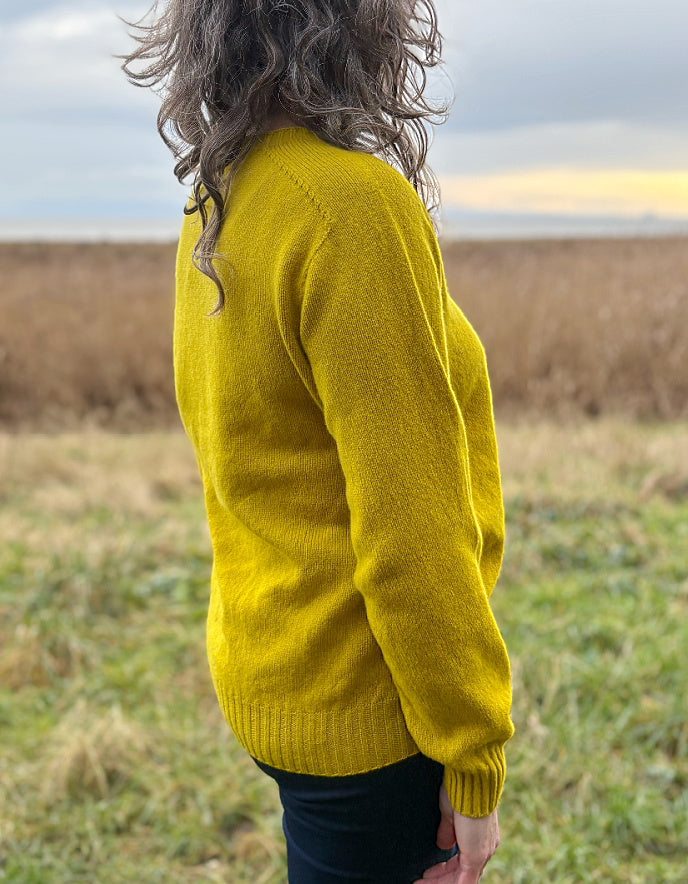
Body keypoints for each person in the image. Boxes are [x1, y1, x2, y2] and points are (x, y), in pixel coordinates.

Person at [120, 1, 515, 881]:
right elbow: (412, 531)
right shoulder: (349, 209)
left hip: (274, 675)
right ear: (356, 28)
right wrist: (473, 753)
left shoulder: (219, 198)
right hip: (368, 718)